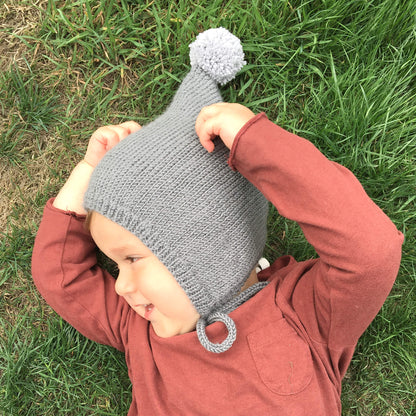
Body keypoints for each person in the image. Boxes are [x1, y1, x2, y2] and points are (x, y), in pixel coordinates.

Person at [32, 28, 403, 415]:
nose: (121, 285)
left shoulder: (303, 313)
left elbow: (370, 251)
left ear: (202, 248)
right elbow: (59, 276)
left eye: (132, 259)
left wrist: (254, 143)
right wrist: (88, 171)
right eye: (115, 265)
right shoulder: (139, 328)